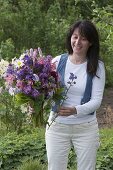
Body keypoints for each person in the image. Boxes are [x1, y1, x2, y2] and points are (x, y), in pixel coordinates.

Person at [45, 20, 105, 170]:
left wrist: (75, 110)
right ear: (70, 38)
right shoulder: (57, 61)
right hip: (57, 126)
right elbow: (44, 90)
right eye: (75, 36)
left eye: (83, 38)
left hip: (86, 128)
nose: (78, 42)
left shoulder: (97, 66)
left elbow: (96, 101)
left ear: (91, 42)